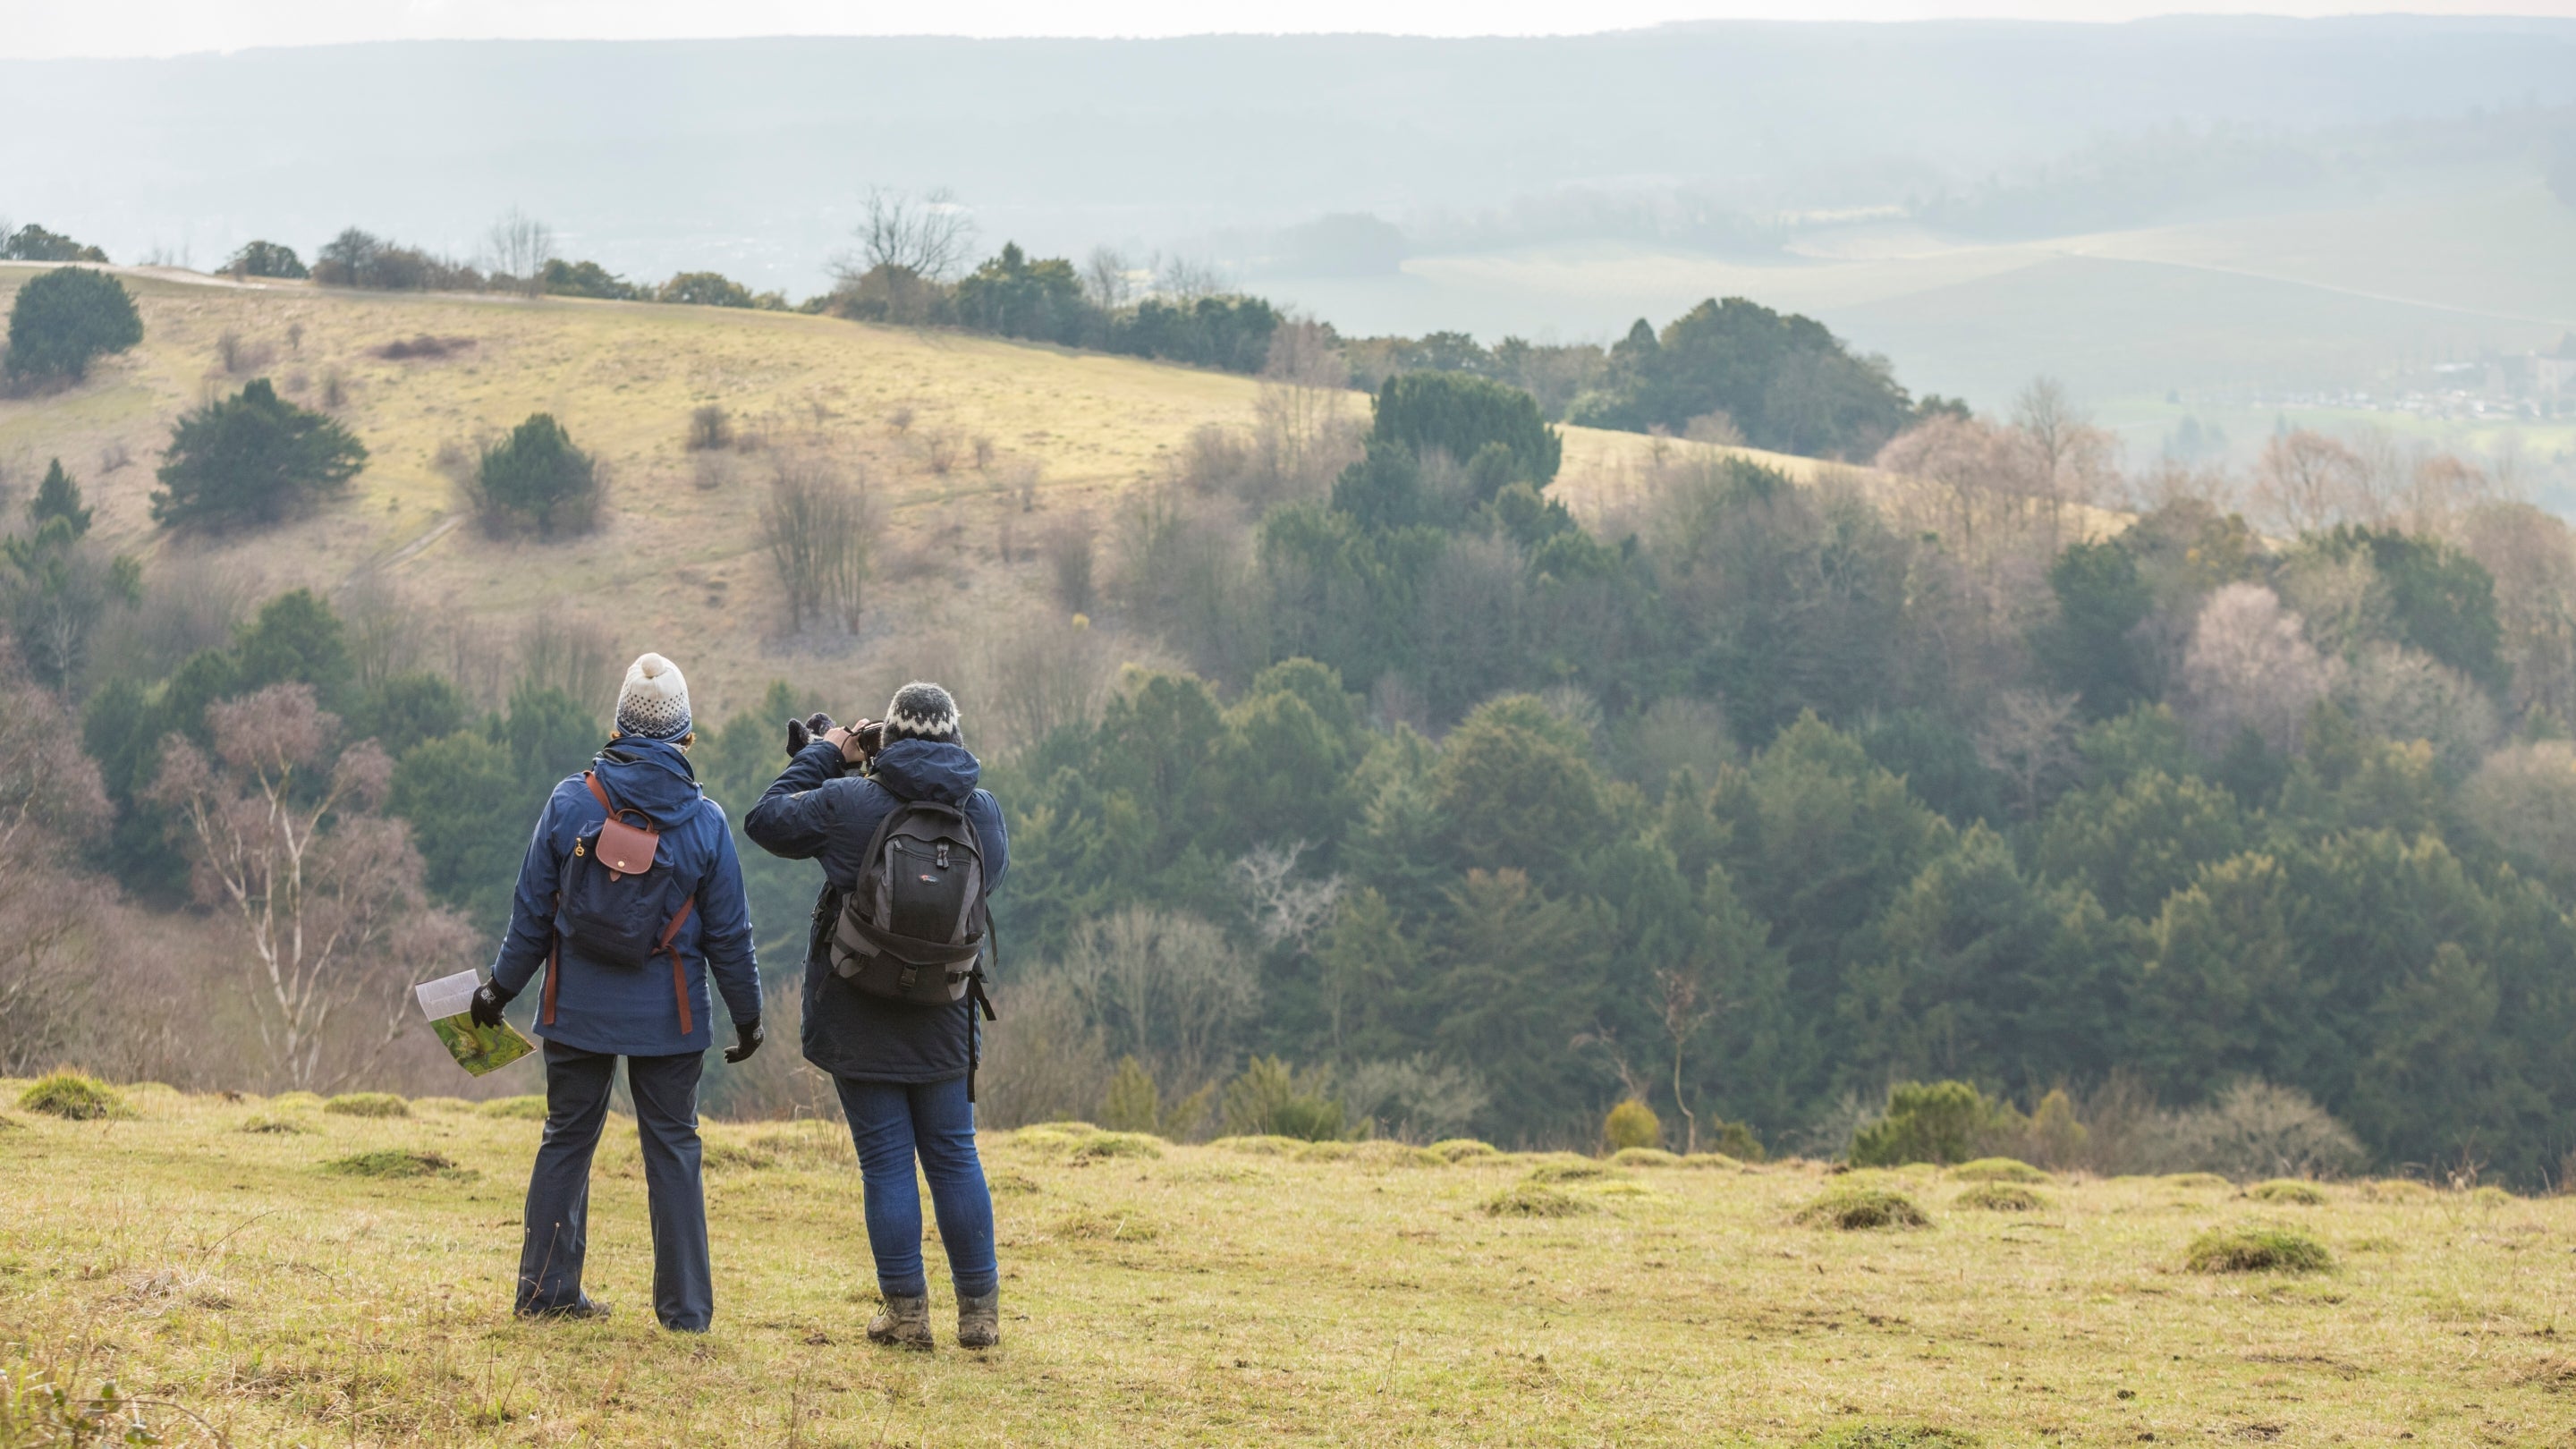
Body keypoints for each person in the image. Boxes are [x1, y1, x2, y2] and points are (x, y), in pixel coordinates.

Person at [469, 652, 763, 1332]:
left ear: (617, 727)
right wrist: (748, 1020)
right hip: (672, 1015)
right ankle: (686, 1313)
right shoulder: (707, 824)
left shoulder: (572, 801)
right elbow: (730, 938)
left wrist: (499, 990)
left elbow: (531, 913)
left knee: (566, 1140)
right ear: (685, 737)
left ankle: (545, 1294)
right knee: (675, 1149)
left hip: (576, 1007)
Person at [745, 682, 1009, 1351]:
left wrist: (829, 754)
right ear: (955, 739)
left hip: (857, 1007)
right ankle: (979, 1315)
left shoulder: (850, 802)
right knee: (954, 1155)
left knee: (886, 1160)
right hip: (945, 1013)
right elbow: (990, 879)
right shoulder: (982, 813)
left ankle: (908, 1315)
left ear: (887, 737)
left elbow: (766, 818)